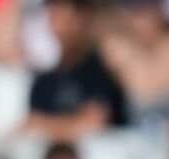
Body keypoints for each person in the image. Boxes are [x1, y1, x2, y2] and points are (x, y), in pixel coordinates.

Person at [25, 0, 130, 140]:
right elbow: (30, 127)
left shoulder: (102, 69)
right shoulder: (44, 81)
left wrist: (46, 125)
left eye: (62, 12)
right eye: (52, 11)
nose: (55, 20)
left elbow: (94, 124)